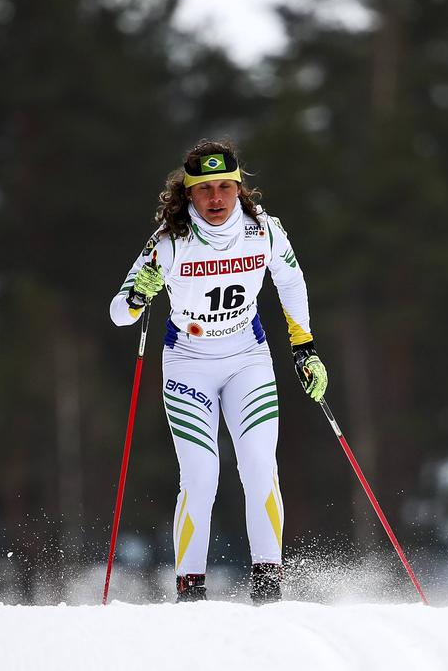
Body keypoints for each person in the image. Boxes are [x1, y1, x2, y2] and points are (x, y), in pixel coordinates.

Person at [109, 140, 328, 604]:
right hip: (188, 362)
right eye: (204, 189)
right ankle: (191, 588)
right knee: (201, 474)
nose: (215, 199)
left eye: (225, 187)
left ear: (239, 188)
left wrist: (304, 346)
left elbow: (290, 280)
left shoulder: (262, 232)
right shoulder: (169, 242)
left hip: (248, 357)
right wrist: (137, 296)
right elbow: (118, 315)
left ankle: (268, 587)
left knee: (259, 466)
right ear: (187, 194)